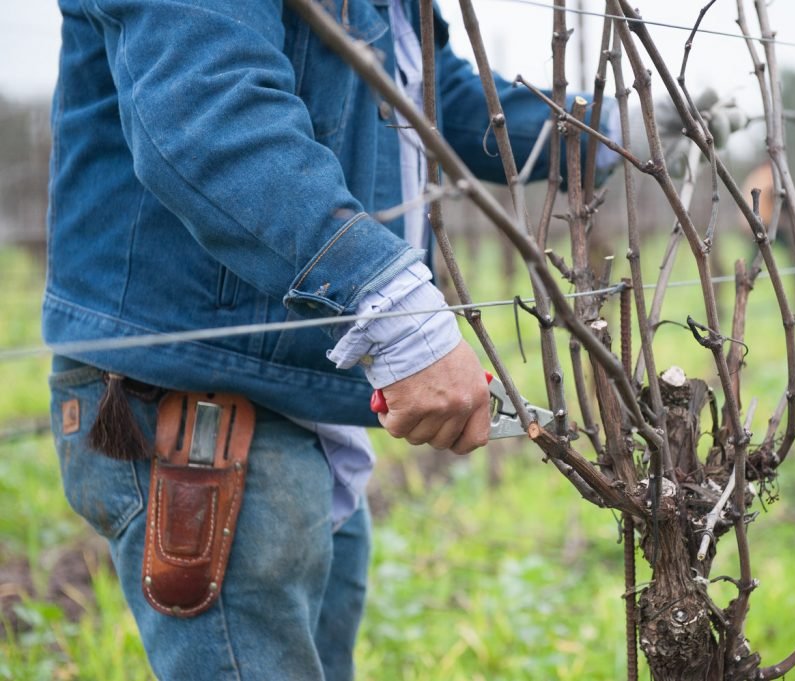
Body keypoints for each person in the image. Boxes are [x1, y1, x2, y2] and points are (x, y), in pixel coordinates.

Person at [44, 0, 616, 678]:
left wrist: (601, 127)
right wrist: (389, 300)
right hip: (199, 401)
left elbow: (437, 95)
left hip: (304, 385)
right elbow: (206, 116)